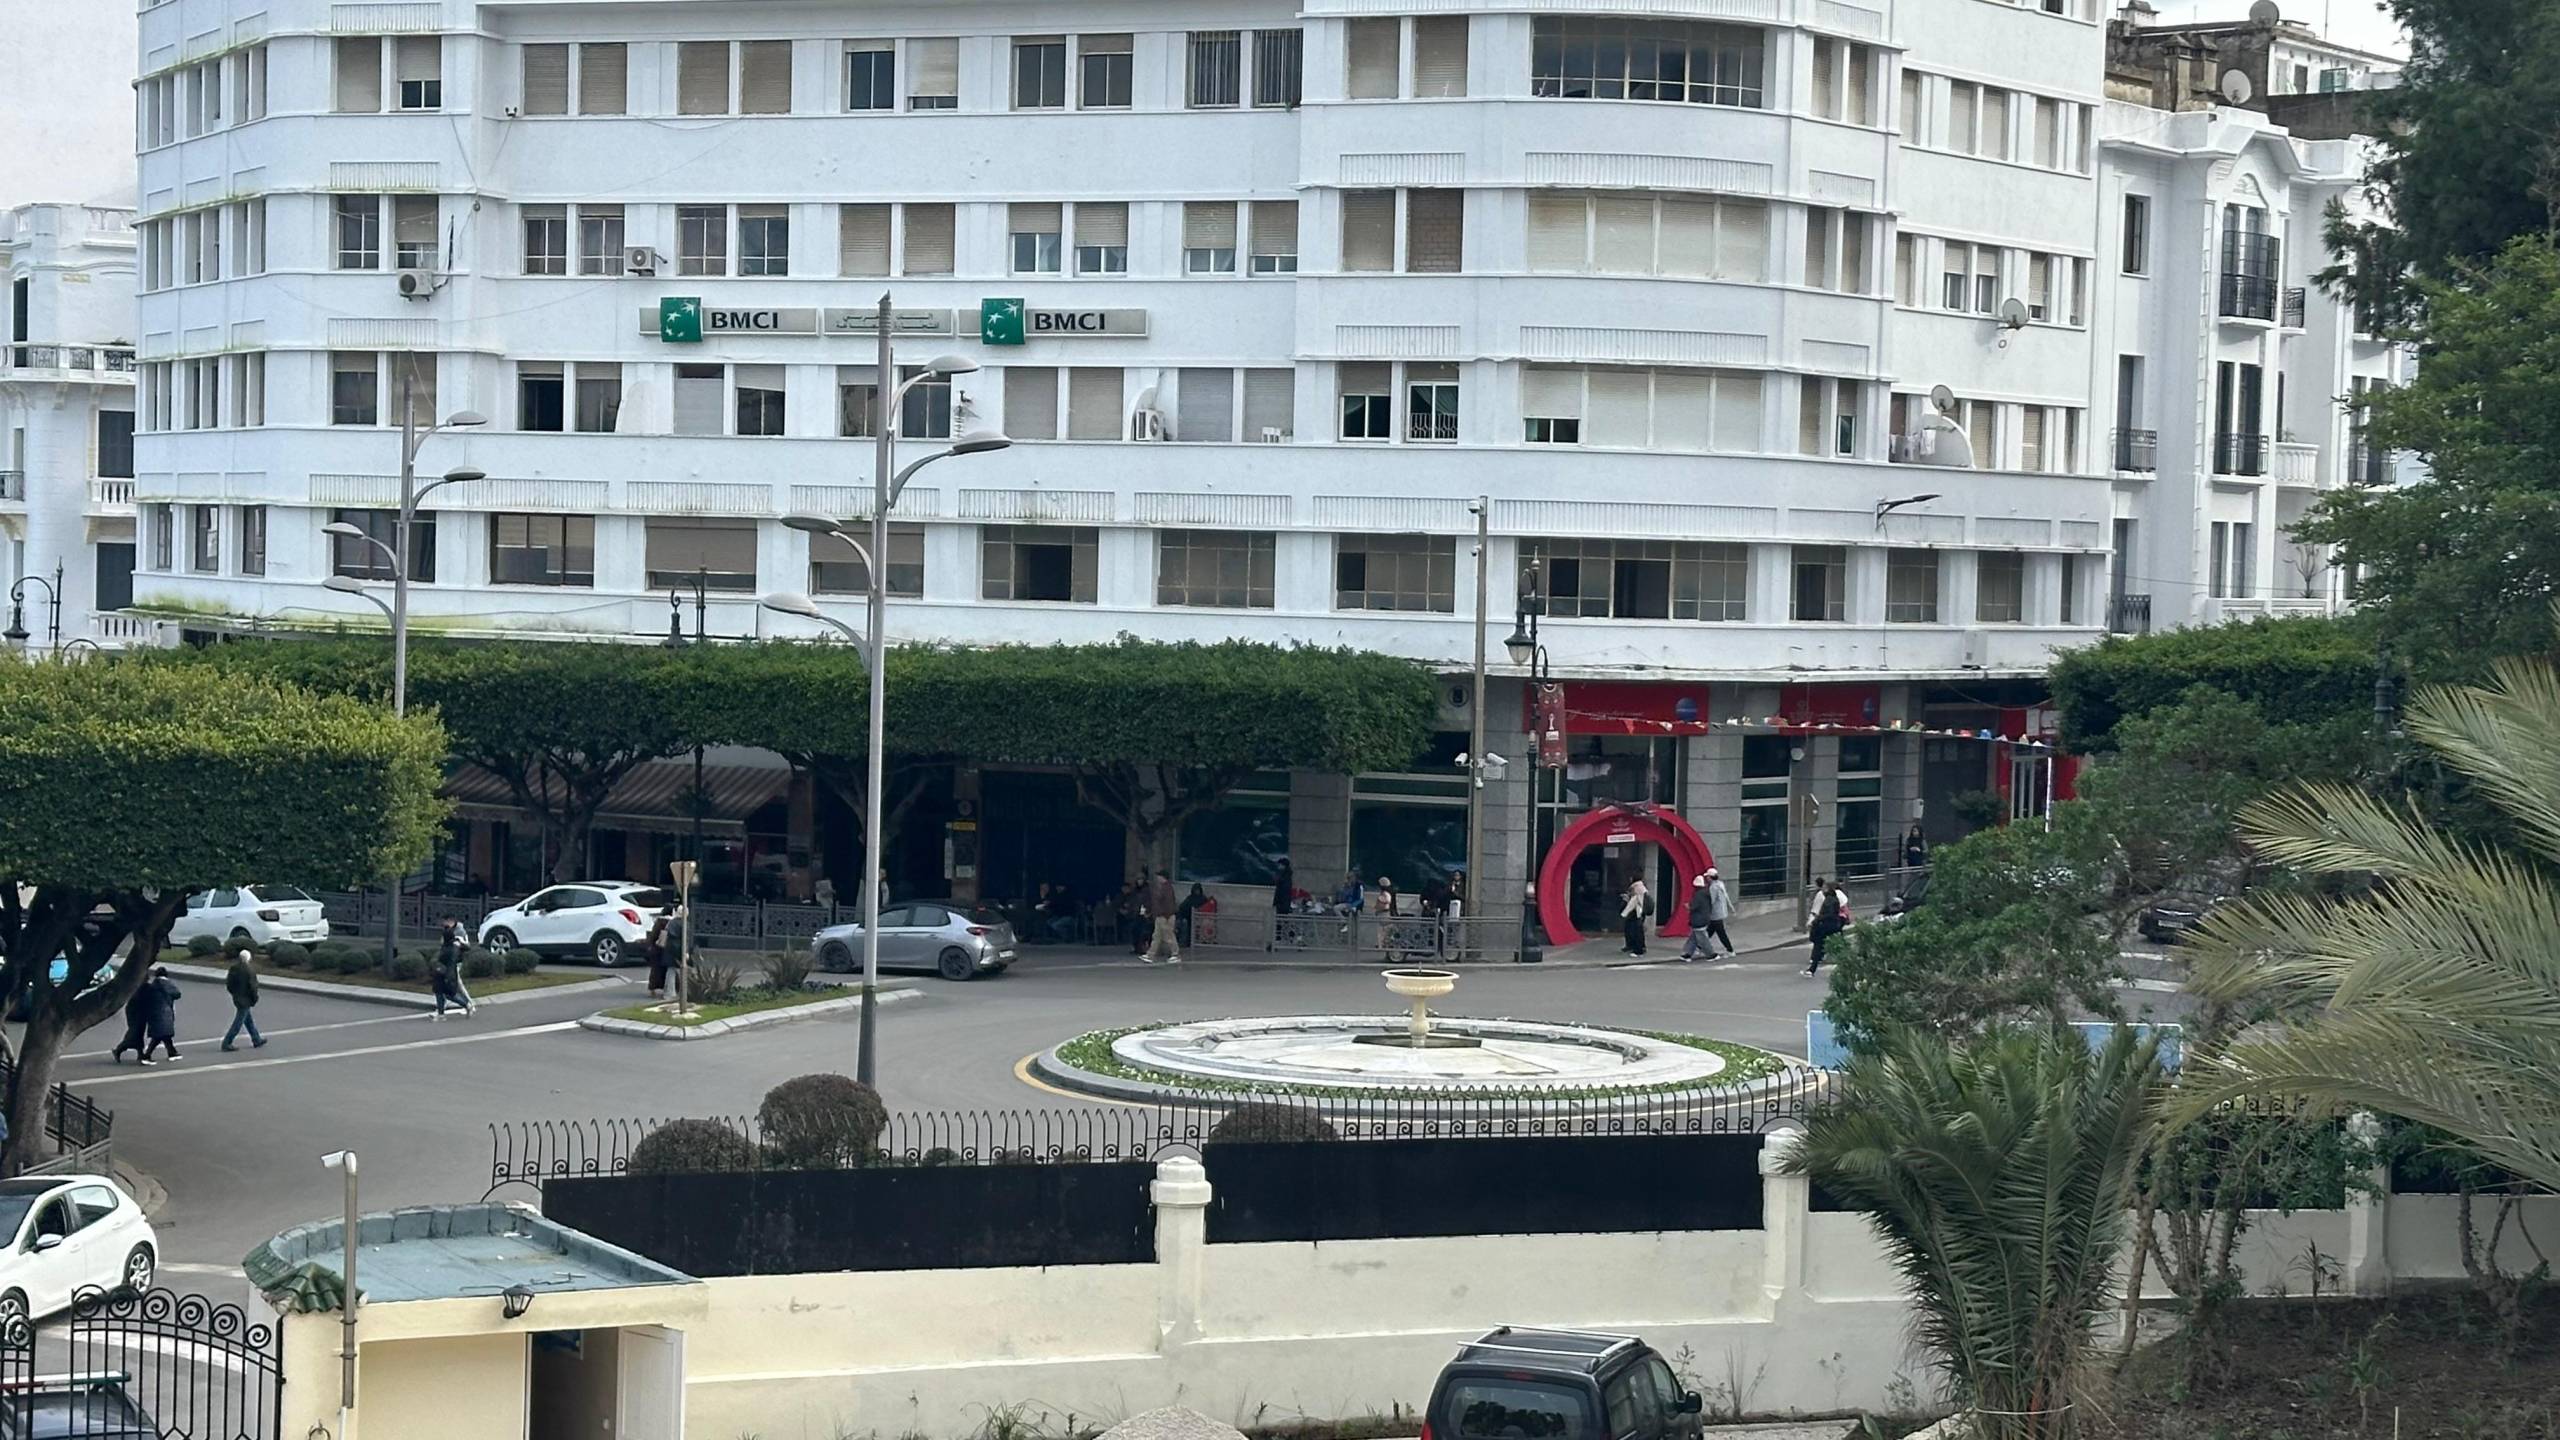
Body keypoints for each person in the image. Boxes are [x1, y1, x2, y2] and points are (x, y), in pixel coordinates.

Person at [221, 946, 267, 1051]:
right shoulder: (249, 970)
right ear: (248, 958)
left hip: (237, 998)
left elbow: (229, 984)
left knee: (248, 1020)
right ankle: (227, 1042)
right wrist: (255, 998)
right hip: (245, 999)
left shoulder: (234, 968)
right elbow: (253, 987)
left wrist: (234, 994)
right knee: (238, 1022)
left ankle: (256, 1039)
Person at [1805, 876, 1850, 976]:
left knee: (1818, 944)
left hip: (1826, 925)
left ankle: (1813, 965)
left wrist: (1814, 921)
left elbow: (1821, 912)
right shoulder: (1836, 897)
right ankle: (1844, 959)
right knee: (1835, 941)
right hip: (1836, 923)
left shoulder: (1827, 899)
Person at [432, 918, 475, 1020]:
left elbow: (451, 963)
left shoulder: (451, 949)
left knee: (450, 994)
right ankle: (441, 1013)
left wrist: (448, 976)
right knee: (439, 992)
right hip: (441, 972)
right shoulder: (449, 946)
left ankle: (467, 1004)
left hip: (446, 973)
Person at [138, 966, 182, 1063]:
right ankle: (146, 1056)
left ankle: (172, 1052)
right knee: (159, 1036)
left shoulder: (153, 985)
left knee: (165, 1035)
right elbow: (177, 993)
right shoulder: (166, 983)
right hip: (164, 1013)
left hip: (154, 1013)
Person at [1142, 869, 1183, 965]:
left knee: (1168, 936)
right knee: (1157, 936)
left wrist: (1166, 915)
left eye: (1158, 876)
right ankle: (1150, 955)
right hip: (1161, 915)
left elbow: (1168, 903)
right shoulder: (1163, 887)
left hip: (1165, 916)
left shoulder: (1166, 888)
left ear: (1162, 877)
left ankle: (1175, 954)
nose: (1157, 878)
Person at [110, 978, 151, 1065]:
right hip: (136, 1012)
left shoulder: (138, 987)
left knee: (138, 1033)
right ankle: (119, 1049)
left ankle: (139, 1053)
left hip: (137, 1012)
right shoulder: (142, 988)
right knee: (134, 1032)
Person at [1697, 867, 1736, 957]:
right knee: (1710, 931)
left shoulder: (1713, 887)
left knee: (1720, 933)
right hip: (1721, 912)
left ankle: (1730, 950)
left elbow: (1712, 901)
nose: (1706, 878)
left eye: (1707, 877)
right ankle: (1700, 947)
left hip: (1715, 913)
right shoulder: (1720, 884)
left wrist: (1704, 909)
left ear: (1710, 877)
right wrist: (1731, 907)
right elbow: (1726, 897)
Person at [644, 904, 678, 998]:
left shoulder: (659, 921)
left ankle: (652, 989)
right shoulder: (673, 922)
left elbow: (653, 935)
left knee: (655, 970)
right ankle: (666, 989)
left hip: (657, 948)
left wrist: (649, 945)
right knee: (666, 971)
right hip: (668, 949)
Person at [1266, 858, 1295, 951]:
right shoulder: (1286, 876)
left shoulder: (1284, 877)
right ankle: (1289, 938)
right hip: (1284, 903)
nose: (1279, 866)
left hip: (1282, 904)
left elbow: (1281, 892)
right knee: (1283, 923)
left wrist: (1277, 902)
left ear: (1283, 866)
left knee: (1279, 924)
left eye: (1280, 865)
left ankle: (1278, 942)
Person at [1620, 878, 1652, 957]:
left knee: (1636, 931)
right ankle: (1637, 947)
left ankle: (1638, 950)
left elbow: (1632, 903)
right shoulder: (1641, 888)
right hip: (1638, 913)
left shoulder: (1637, 888)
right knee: (1635, 930)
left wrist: (1624, 913)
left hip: (1637, 913)